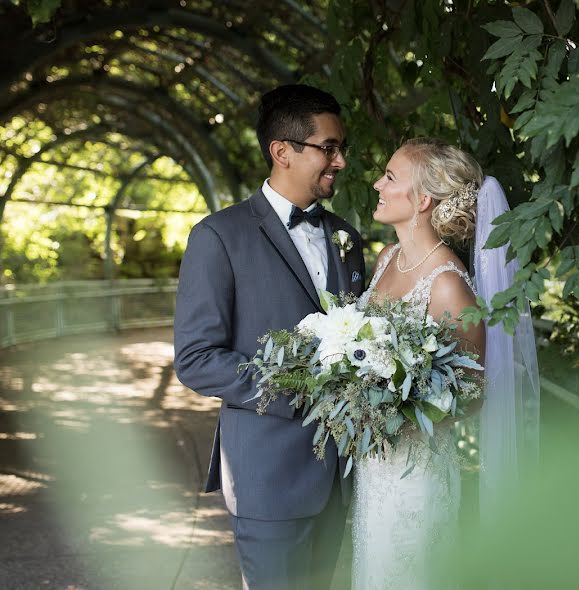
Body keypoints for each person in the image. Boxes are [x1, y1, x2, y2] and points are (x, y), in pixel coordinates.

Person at [174, 84, 365, 590]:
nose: (340, 161)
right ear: (282, 151)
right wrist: (299, 388)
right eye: (329, 147)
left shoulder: (348, 237)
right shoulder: (218, 237)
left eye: (341, 147)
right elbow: (195, 358)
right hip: (268, 472)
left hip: (339, 474)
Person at [352, 138, 539, 589]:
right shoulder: (386, 259)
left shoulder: (449, 286)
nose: (378, 183)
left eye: (390, 177)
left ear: (422, 200)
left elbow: (472, 394)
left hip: (418, 475)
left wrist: (396, 411)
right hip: (373, 467)